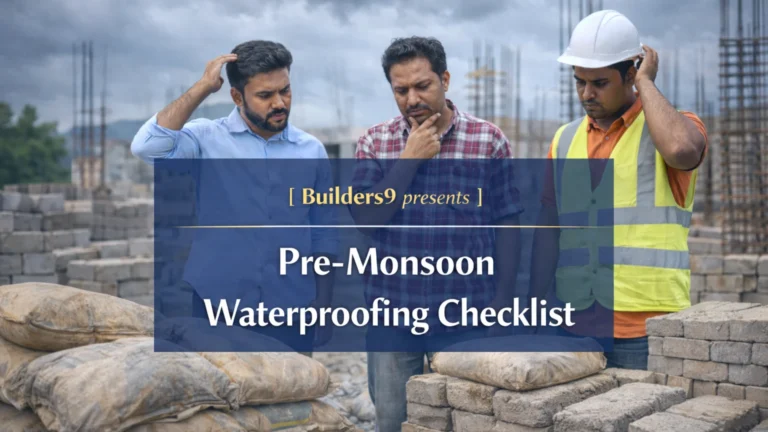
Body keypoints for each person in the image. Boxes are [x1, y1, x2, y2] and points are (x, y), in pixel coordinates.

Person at [350, 36, 523, 432]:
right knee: (393, 420)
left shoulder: (487, 140)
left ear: (444, 80)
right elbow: (365, 217)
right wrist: (408, 160)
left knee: (468, 420)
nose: (412, 98)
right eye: (401, 90)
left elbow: (507, 224)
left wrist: (503, 300)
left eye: (422, 85)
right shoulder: (375, 141)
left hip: (469, 314)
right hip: (392, 315)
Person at [131, 40, 338, 351]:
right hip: (218, 306)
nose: (279, 103)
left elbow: (325, 231)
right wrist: (202, 87)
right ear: (237, 96)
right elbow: (147, 147)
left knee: (293, 383)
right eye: (265, 95)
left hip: (292, 309)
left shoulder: (311, 151)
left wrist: (325, 304)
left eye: (285, 90)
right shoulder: (206, 139)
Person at [532, 10, 708, 370]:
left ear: (630, 74)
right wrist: (533, 308)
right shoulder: (564, 140)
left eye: (599, 83)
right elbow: (548, 230)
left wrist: (647, 84)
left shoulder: (675, 129)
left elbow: (681, 151)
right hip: (573, 326)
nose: (587, 93)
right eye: (580, 82)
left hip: (647, 331)